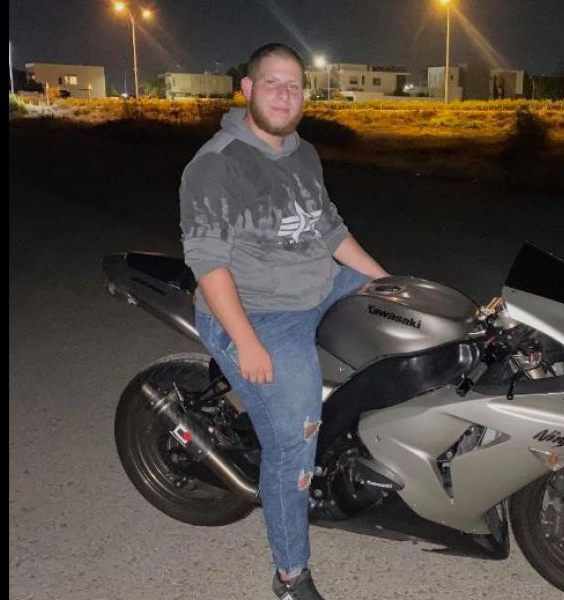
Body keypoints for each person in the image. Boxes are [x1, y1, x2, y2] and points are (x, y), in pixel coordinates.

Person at [179, 43, 389, 600]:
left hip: (317, 285)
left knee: (410, 325)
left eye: (294, 85)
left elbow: (330, 231)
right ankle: (291, 575)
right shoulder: (217, 164)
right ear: (247, 90)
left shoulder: (303, 153)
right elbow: (209, 263)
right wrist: (246, 341)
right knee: (295, 441)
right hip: (257, 312)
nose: (284, 94)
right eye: (272, 82)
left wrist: (388, 283)